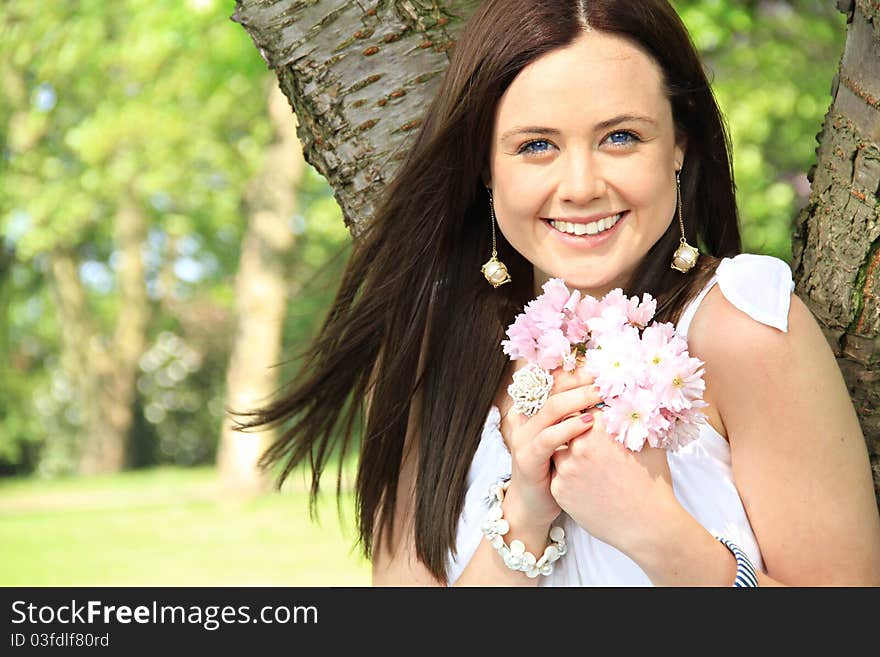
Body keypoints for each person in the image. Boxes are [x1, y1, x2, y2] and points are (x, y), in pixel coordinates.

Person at [242, 0, 880, 586]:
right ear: (486, 168)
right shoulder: (430, 350)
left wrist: (656, 533)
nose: (580, 185)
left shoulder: (745, 330)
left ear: (679, 147)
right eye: (537, 145)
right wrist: (523, 513)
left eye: (620, 137)